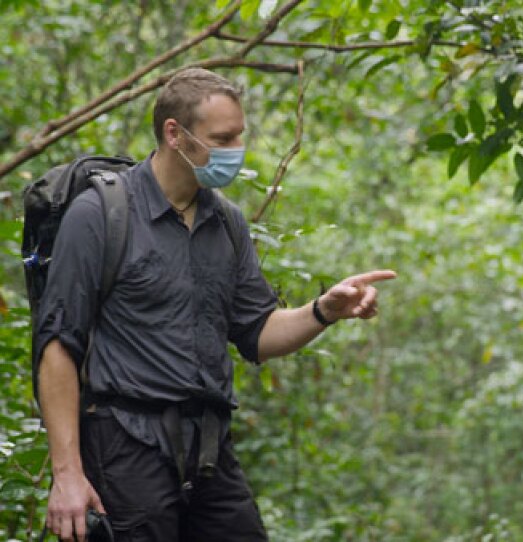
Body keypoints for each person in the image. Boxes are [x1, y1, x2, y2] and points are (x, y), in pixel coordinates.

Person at [35, 68, 396, 541]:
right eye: (221, 138)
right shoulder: (101, 214)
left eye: (239, 137)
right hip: (125, 447)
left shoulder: (226, 222)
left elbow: (258, 333)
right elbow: (57, 348)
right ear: (174, 134)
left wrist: (323, 309)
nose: (234, 150)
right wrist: (66, 475)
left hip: (208, 451)